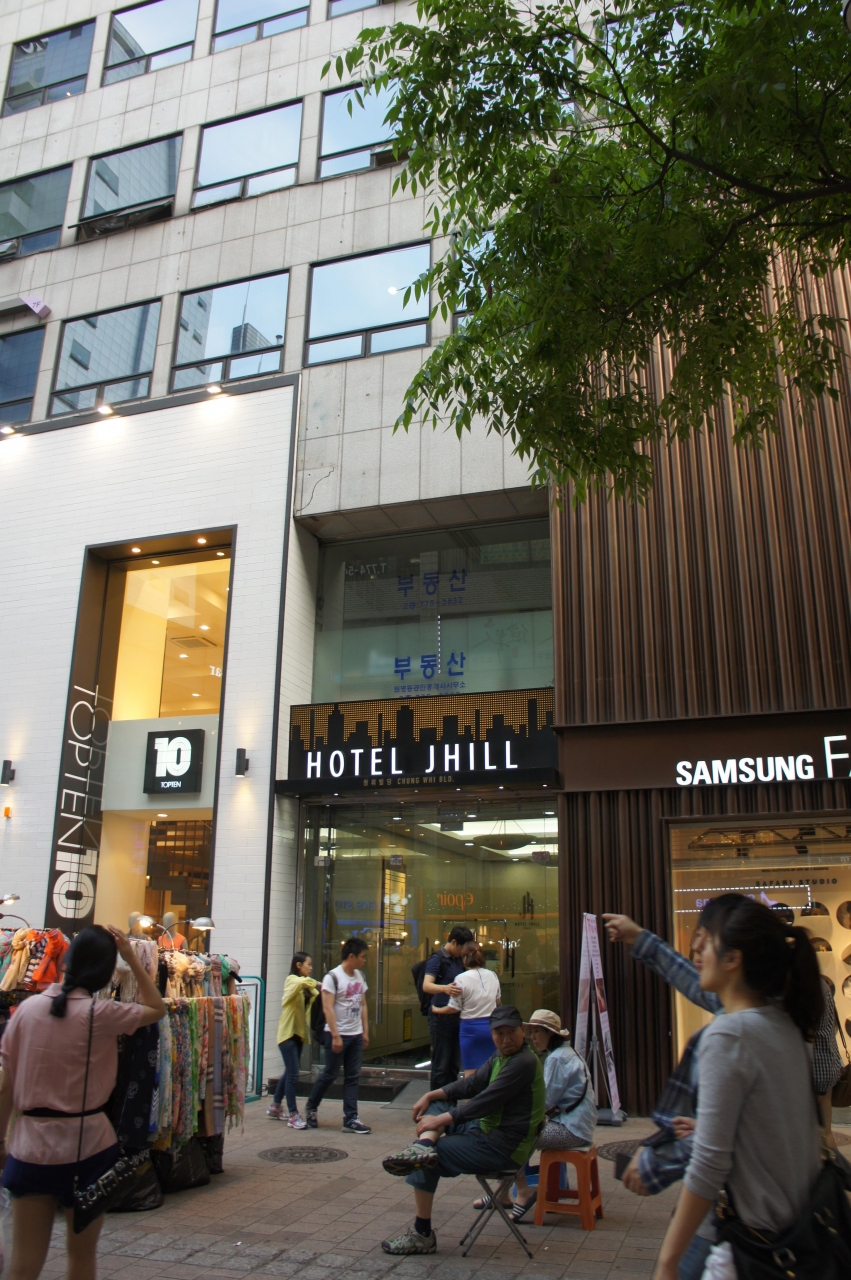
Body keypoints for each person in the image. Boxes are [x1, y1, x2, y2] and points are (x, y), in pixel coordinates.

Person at [653, 898, 823, 1280]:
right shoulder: (785, 1025)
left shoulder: (729, 1034)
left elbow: (709, 1166)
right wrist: (714, 1129)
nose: (696, 948)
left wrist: (667, 1261)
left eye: (706, 939)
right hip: (800, 1241)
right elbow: (780, 1126)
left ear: (733, 959)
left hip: (754, 1250)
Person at [0, 925, 166, 1280]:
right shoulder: (101, 1013)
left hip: (29, 1147)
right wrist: (133, 959)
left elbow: (6, 1084)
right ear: (103, 971)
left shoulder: (25, 1012)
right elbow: (157, 1008)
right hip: (88, 1148)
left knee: (24, 1264)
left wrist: (1, 1140)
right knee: (81, 1259)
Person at [379, 1005, 545, 1256]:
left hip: (502, 1147)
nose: (506, 1039)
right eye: (499, 1033)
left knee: (427, 1160)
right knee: (437, 1106)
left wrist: (439, 1121)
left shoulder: (523, 1061)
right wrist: (431, 1094)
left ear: (522, 1031)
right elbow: (471, 1084)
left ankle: (422, 1235)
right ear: (491, 1034)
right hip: (487, 1131)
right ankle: (423, 1146)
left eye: (511, 1032)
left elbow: (484, 1101)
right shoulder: (501, 1056)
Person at [500, 1009, 597, 1221]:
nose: (533, 1037)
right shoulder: (566, 1052)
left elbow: (544, 1102)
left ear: (550, 1034)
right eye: (532, 1032)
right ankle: (504, 1193)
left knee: (513, 1136)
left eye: (537, 1032)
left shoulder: (556, 1058)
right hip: (578, 1126)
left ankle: (520, 1192)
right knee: (517, 1130)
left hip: (571, 1130)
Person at [305, 937, 371, 1134]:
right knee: (330, 1074)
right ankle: (311, 1107)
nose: (364, 960)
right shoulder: (332, 977)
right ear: (351, 956)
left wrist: (365, 1031)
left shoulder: (360, 976)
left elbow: (363, 1004)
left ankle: (351, 1118)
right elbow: (328, 1008)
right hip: (337, 1034)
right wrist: (335, 1036)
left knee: (352, 1077)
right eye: (362, 956)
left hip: (356, 1034)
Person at [268, 951, 319, 1128]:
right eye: (308, 964)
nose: (311, 968)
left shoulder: (306, 987)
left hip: (297, 1035)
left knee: (290, 1072)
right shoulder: (292, 980)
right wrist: (318, 983)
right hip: (287, 1035)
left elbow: (317, 993)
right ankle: (293, 1115)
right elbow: (306, 983)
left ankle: (275, 1106)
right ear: (298, 965)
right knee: (293, 1074)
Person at [430, 945, 500, 1074]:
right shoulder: (493, 975)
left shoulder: (461, 978)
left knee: (471, 1074)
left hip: (470, 1030)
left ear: (465, 959)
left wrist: (437, 1010)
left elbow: (454, 1008)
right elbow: (498, 1001)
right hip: (491, 1027)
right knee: (492, 1071)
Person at [423, 926, 474, 1090]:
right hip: (440, 1019)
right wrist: (444, 988)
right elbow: (427, 985)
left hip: (457, 1017)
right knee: (441, 1065)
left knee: (454, 1064)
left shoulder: (459, 960)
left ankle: (450, 1099)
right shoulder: (437, 959)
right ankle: (437, 1101)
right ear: (453, 942)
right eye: (462, 947)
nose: (464, 952)